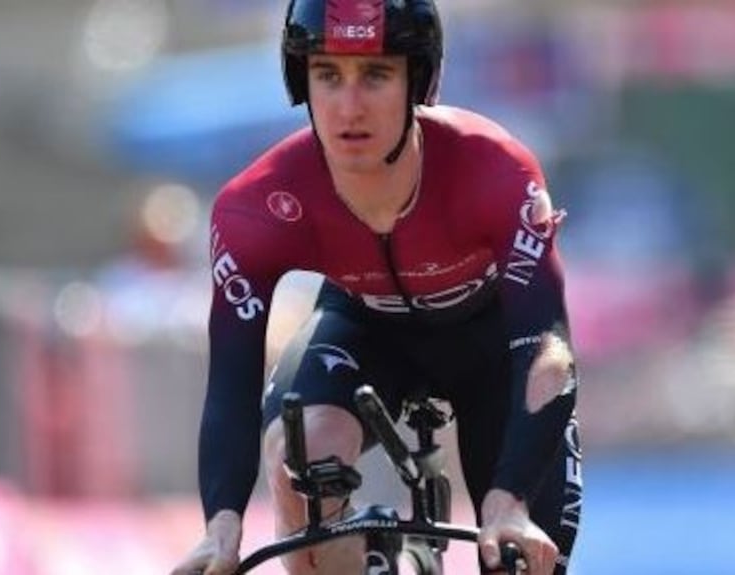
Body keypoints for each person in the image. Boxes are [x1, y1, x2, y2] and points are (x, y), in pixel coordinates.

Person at [172, 0, 582, 573]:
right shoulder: (255, 207)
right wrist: (221, 528)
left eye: (376, 75)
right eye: (327, 75)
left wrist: (509, 499)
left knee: (518, 557)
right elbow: (231, 384)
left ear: (418, 81)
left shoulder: (496, 172)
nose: (348, 106)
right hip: (365, 329)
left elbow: (546, 348)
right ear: (302, 84)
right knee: (300, 462)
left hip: (492, 347)